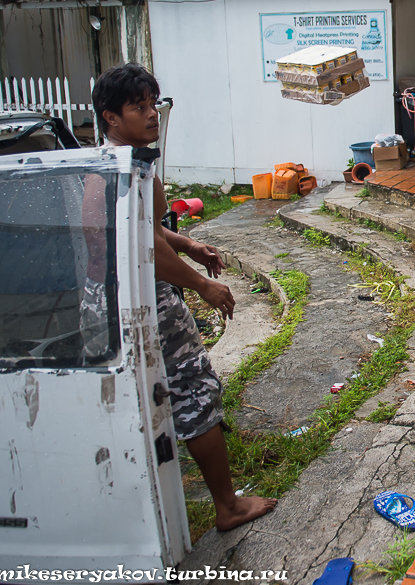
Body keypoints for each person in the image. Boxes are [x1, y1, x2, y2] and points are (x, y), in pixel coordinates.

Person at [91, 64, 277, 530]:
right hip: (141, 295)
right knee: (193, 387)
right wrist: (202, 284)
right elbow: (143, 246)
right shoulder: (123, 170)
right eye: (139, 107)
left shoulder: (120, 160)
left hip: (113, 294)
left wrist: (189, 244)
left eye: (154, 103)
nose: (152, 114)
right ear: (111, 117)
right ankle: (227, 505)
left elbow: (150, 230)